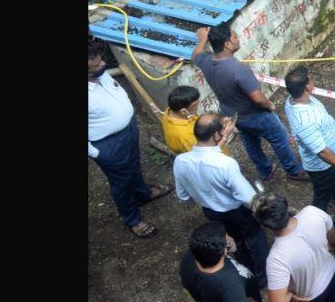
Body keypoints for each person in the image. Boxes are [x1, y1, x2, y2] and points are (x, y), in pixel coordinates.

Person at [192, 25, 309, 184]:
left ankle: (265, 170)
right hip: (256, 115)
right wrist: (269, 105)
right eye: (234, 36)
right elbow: (258, 98)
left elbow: (195, 55)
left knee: (250, 142)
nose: (237, 38)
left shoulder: (206, 61)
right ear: (227, 44)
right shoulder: (239, 70)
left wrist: (203, 39)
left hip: (233, 115)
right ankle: (294, 170)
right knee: (279, 138)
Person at [88, 38, 171, 238]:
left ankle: (143, 194)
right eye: (97, 65)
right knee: (121, 182)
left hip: (129, 131)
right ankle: (133, 220)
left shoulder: (100, 75)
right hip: (108, 145)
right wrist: (97, 152)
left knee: (134, 166)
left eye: (100, 61)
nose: (103, 65)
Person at [174, 113, 269, 287]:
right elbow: (248, 198)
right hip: (238, 211)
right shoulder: (225, 164)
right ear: (216, 135)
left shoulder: (180, 161)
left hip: (210, 212)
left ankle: (248, 273)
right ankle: (265, 277)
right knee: (255, 239)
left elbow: (183, 196)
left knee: (234, 242)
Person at [252, 192, 335, 302]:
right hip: (331, 274)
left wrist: (290, 296)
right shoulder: (313, 212)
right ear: (285, 206)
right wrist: (332, 247)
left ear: (264, 224)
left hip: (311, 297)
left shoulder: (276, 259)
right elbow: (333, 239)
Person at [284, 65, 335, 213]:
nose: (313, 79)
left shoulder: (293, 99)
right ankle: (315, 219)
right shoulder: (305, 121)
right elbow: (321, 152)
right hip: (321, 166)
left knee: (333, 178)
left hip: (328, 161)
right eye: (311, 78)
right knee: (321, 196)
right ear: (307, 87)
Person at [179, 221, 262, 302]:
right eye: (227, 240)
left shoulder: (190, 256)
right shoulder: (232, 289)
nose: (229, 239)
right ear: (224, 251)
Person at [162, 84, 234, 156]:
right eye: (194, 105)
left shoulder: (171, 110)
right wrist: (225, 136)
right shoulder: (185, 136)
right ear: (183, 111)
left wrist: (218, 122)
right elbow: (206, 156)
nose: (198, 106)